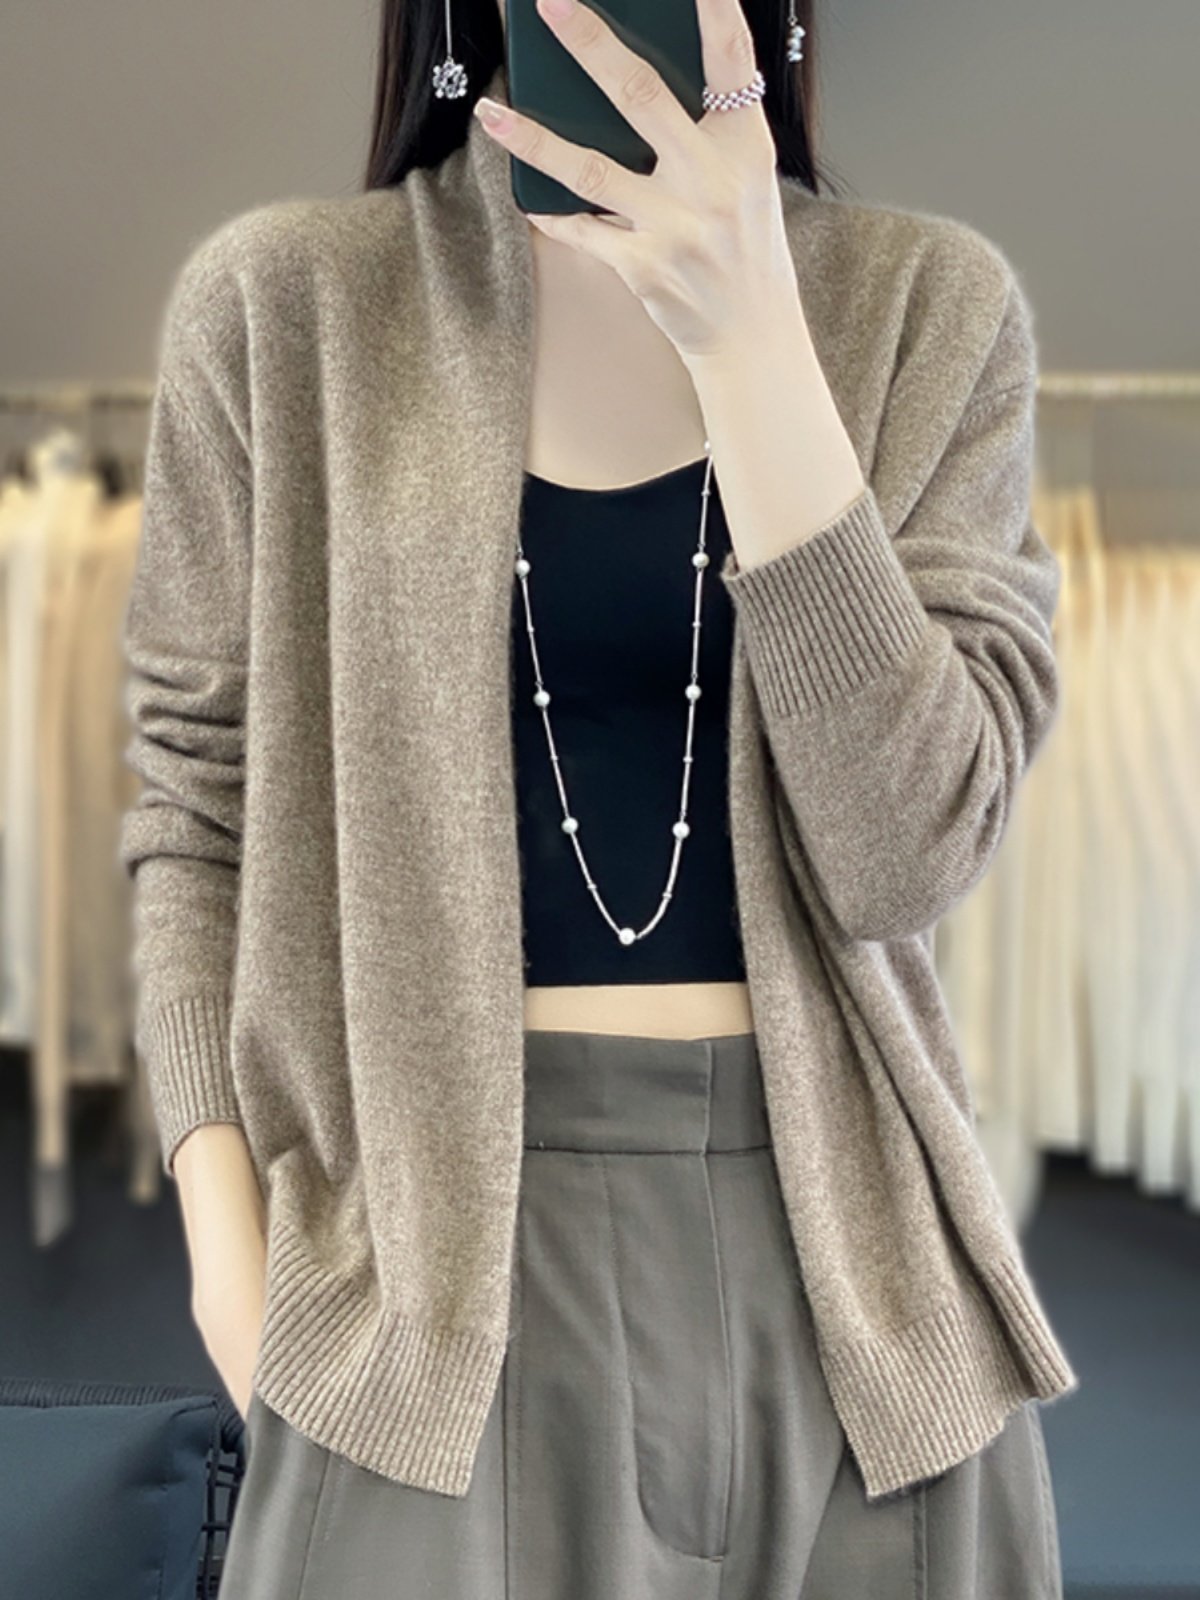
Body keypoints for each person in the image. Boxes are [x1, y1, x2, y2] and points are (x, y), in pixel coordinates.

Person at [119, 0, 1078, 1593]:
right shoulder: (287, 305)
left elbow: (907, 855)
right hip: (417, 1281)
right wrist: (230, 1259)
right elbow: (193, 809)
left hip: (851, 1290)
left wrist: (755, 341)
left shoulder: (926, 306)